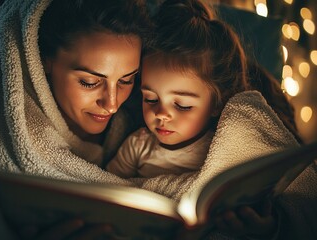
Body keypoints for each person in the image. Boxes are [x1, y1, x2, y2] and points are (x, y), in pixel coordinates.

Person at [107, 0, 307, 239]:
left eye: (182, 105)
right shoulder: (137, 145)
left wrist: (266, 229)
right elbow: (106, 190)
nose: (161, 113)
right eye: (150, 98)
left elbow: (289, 201)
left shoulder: (229, 147)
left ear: (216, 103)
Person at [0, 0, 152, 239]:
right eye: (89, 82)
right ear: (44, 59)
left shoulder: (139, 121)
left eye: (126, 80)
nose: (111, 104)